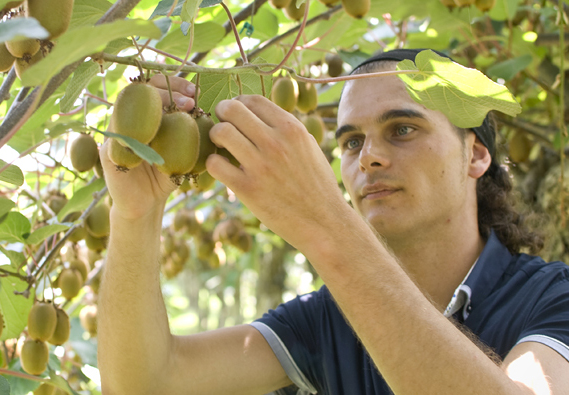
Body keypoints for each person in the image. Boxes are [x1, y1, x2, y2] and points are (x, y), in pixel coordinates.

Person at [97, 49, 569, 394]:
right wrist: (135, 215)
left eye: (402, 129)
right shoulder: (325, 319)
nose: (369, 159)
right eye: (350, 142)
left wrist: (326, 225)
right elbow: (147, 382)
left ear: (476, 155)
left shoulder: (555, 297)